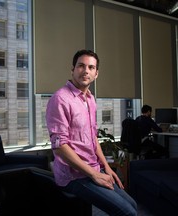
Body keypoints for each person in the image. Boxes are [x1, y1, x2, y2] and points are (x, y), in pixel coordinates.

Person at [46, 49, 137, 216]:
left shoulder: (90, 99)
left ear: (96, 73)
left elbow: (93, 137)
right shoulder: (60, 99)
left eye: (91, 67)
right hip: (74, 175)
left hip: (93, 168)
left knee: (133, 205)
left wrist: (106, 167)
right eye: (81, 66)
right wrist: (95, 175)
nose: (86, 71)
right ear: (72, 69)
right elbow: (59, 146)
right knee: (127, 212)